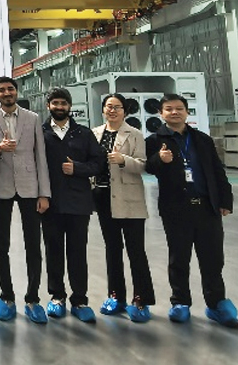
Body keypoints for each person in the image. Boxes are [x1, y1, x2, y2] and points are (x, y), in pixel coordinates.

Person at [145, 93, 238, 328]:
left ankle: (216, 303)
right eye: (169, 109)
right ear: (161, 113)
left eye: (179, 108)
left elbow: (217, 171)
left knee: (212, 258)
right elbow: (149, 168)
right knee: (179, 257)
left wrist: (225, 200)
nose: (174, 112)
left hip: (206, 207)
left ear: (187, 112)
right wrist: (160, 159)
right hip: (176, 208)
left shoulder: (202, 139)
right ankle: (180, 302)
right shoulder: (154, 140)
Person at [0, 77, 51, 323]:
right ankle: (7, 296)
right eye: (2, 90)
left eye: (10, 89)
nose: (7, 93)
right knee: (1, 246)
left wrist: (44, 193)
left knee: (33, 245)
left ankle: (33, 299)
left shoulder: (32, 118)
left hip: (30, 188)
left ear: (16, 92)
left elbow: (41, 156)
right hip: (2, 188)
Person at [41, 87, 106, 323]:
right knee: (54, 251)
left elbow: (98, 164)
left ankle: (79, 300)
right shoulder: (40, 133)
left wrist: (77, 168)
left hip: (78, 203)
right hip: (50, 203)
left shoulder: (83, 134)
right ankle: (57, 296)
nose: (59, 107)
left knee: (78, 252)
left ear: (69, 106)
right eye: (55, 103)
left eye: (63, 103)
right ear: (48, 106)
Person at [90, 93, 155, 323]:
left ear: (125, 111)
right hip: (103, 198)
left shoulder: (134, 134)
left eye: (117, 107)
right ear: (103, 110)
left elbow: (143, 165)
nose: (112, 110)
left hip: (129, 198)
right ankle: (116, 296)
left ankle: (141, 299)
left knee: (136, 250)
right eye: (109, 106)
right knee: (112, 249)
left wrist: (123, 160)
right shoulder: (95, 134)